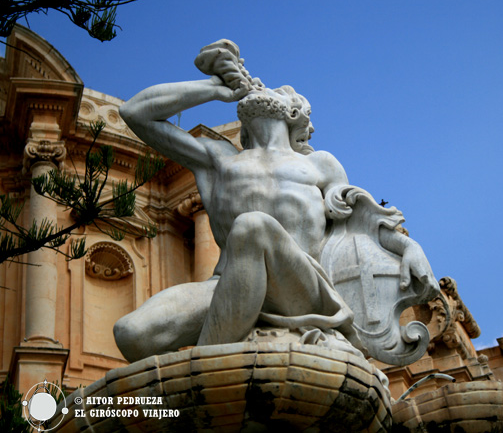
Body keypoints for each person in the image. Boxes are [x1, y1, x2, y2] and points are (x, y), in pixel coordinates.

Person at [113, 40, 435, 362]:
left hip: (297, 286)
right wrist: (213, 88)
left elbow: (357, 222)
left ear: (294, 111)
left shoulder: (318, 164)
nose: (259, 87)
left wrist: (409, 248)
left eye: (276, 90)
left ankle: (207, 366)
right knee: (132, 333)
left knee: (253, 227)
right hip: (226, 284)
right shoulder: (218, 159)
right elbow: (135, 113)